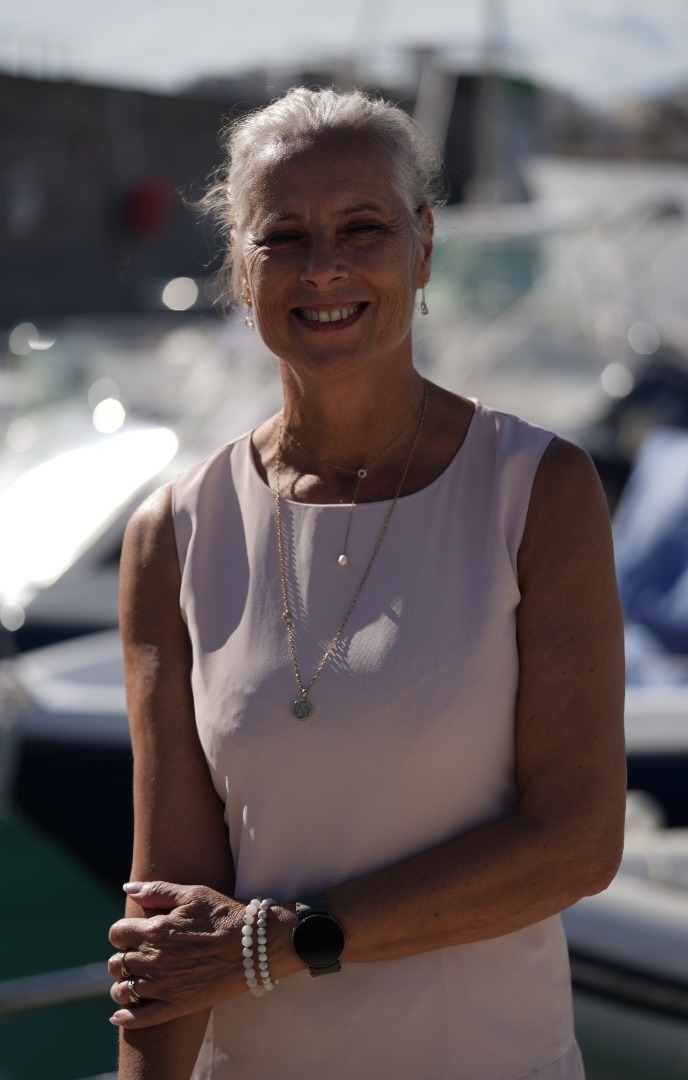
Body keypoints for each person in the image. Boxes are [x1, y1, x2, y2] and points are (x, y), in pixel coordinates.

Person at [107, 86, 626, 1080]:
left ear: (422, 246)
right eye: (283, 236)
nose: (323, 268)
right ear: (240, 266)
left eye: (361, 228)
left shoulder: (538, 492)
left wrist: (277, 943)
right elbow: (167, 909)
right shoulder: (172, 533)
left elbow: (574, 843)